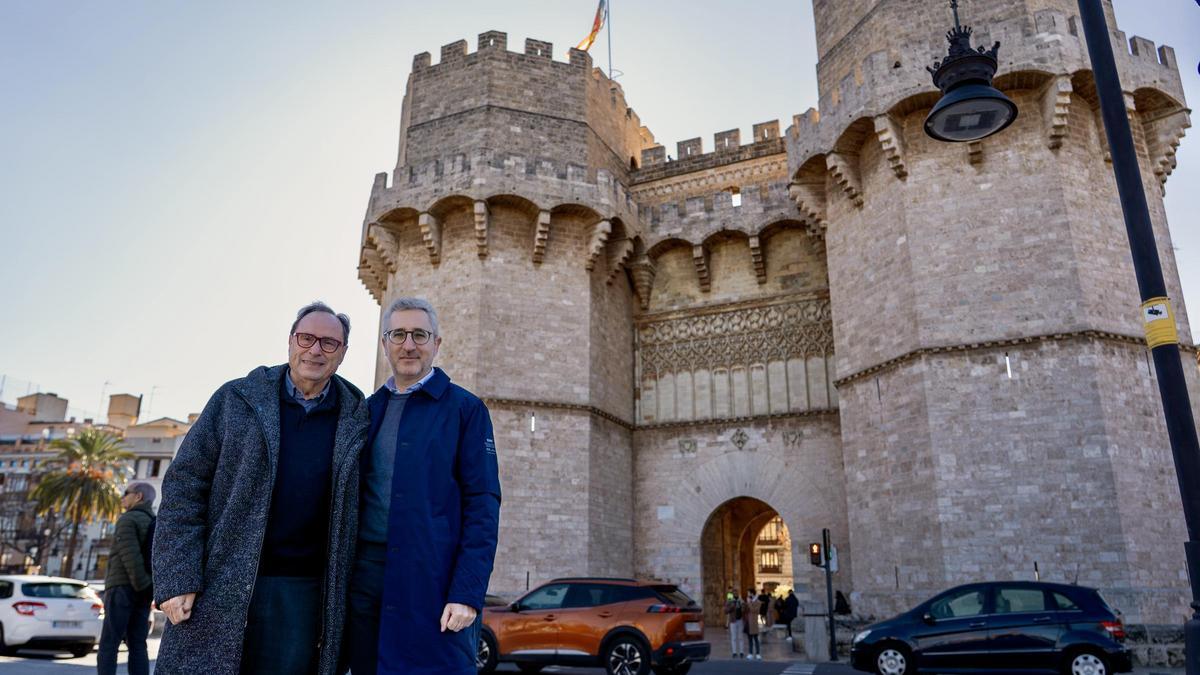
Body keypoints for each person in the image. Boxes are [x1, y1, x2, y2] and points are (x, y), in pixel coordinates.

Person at [152, 302, 370, 675]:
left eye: (329, 343)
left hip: (306, 595)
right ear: (290, 341)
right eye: (307, 338)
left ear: (344, 353)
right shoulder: (235, 400)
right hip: (219, 585)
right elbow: (184, 487)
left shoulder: (358, 417)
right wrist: (177, 578)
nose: (315, 350)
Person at [344, 297, 502, 675]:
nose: (409, 344)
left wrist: (467, 593)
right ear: (384, 344)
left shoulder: (465, 409)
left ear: (436, 343)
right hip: (367, 578)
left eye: (419, 334)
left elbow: (483, 504)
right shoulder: (366, 410)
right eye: (398, 334)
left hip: (434, 578)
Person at [97, 482, 156, 675]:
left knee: (109, 643)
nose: (122, 497)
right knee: (138, 643)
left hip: (123, 587)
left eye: (126, 493)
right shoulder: (153, 520)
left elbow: (129, 555)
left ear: (138, 496)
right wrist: (148, 588)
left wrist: (140, 584)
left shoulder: (128, 519)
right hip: (145, 591)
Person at [723, 590, 744, 659]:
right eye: (734, 594)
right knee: (734, 637)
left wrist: (743, 604)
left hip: (740, 620)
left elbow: (745, 609)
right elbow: (725, 611)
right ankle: (734, 652)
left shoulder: (741, 601)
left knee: (740, 637)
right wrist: (732, 606)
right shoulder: (730, 601)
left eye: (737, 593)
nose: (736, 595)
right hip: (733, 621)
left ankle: (741, 652)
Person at [744, 590, 762, 660]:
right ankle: (750, 653)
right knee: (750, 639)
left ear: (752, 594)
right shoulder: (749, 601)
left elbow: (754, 610)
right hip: (748, 622)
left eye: (749, 593)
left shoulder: (758, 602)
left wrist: (749, 603)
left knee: (756, 639)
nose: (748, 594)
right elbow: (745, 610)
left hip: (754, 623)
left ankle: (758, 653)